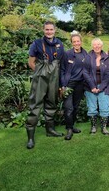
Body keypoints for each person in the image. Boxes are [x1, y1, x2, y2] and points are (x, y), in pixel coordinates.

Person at [25, 20, 65, 149]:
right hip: (41, 78)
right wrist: (39, 73)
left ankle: (50, 130)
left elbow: (61, 63)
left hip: (54, 78)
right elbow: (31, 62)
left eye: (51, 29)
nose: (49, 32)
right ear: (44, 30)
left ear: (55, 30)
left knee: (52, 104)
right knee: (35, 105)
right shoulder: (36, 43)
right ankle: (30, 138)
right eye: (47, 29)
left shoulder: (59, 43)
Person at [60, 32, 88, 140]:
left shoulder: (85, 55)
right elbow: (62, 70)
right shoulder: (67, 54)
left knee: (75, 107)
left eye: (78, 41)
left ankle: (72, 126)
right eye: (74, 41)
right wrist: (62, 85)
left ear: (81, 42)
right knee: (68, 107)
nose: (76, 43)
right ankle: (69, 129)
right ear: (72, 43)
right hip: (68, 84)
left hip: (80, 85)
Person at [83, 38, 109, 135]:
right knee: (92, 108)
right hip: (90, 87)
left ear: (102, 46)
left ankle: (104, 128)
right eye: (95, 45)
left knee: (104, 108)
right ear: (92, 46)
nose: (97, 46)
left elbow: (108, 73)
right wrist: (92, 86)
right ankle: (93, 127)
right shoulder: (87, 57)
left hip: (103, 87)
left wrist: (101, 87)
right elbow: (85, 72)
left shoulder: (107, 57)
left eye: (99, 44)